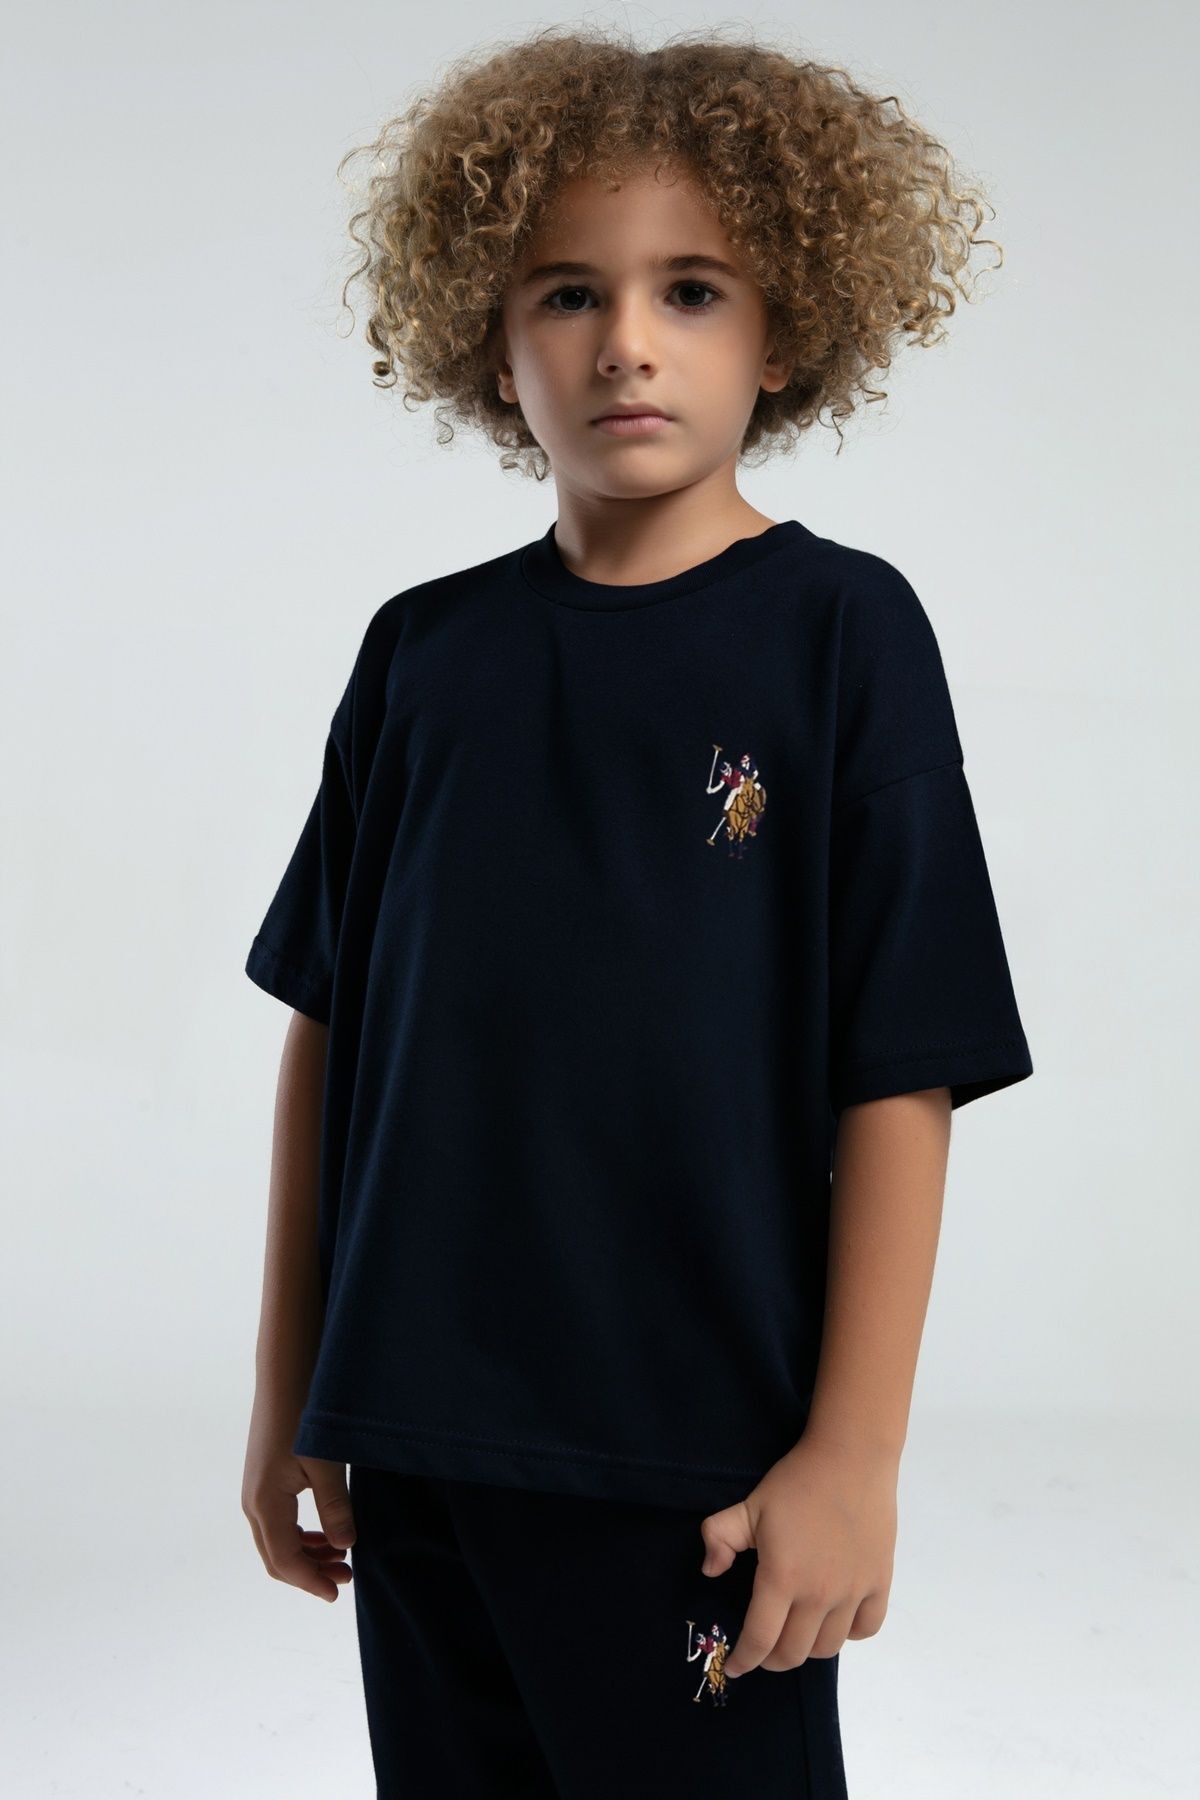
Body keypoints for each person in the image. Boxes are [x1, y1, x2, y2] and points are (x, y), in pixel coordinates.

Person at [240, 24, 1034, 1797]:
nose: (626, 343)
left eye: (690, 290)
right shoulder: (420, 656)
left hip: (701, 1472)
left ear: (784, 331)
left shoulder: (842, 635)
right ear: (489, 337)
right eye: (565, 294)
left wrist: (854, 1455)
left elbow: (901, 1064)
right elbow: (330, 1035)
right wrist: (293, 1392)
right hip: (419, 1452)